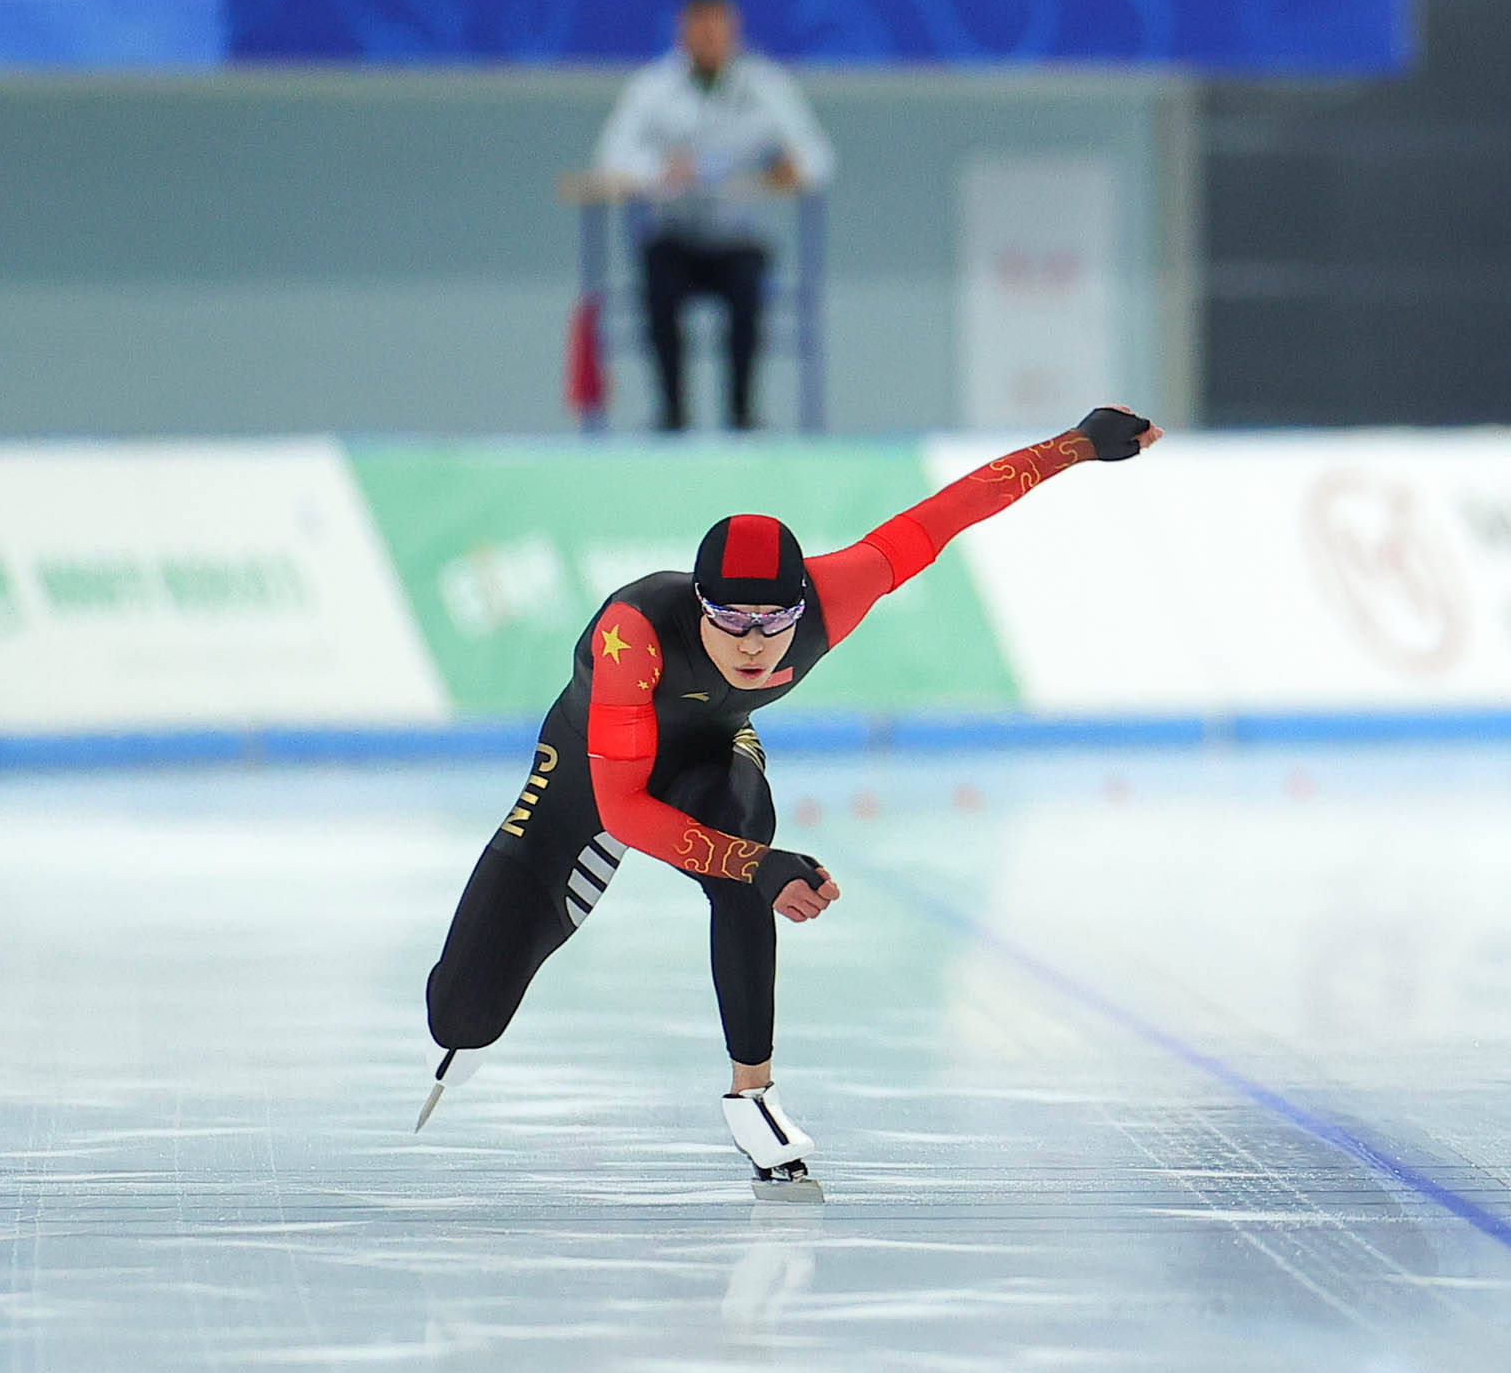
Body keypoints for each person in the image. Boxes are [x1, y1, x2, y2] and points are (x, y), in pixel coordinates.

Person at [417, 406, 1160, 1186]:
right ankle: (502, 968)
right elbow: (622, 807)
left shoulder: (838, 594)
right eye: (730, 618)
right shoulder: (634, 633)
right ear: (698, 604)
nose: (753, 641)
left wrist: (1076, 444)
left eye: (774, 619)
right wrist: (756, 864)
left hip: (708, 753)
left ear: (802, 604)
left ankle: (752, 1092)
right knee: (461, 1018)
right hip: (589, 774)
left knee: (741, 827)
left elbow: (952, 511)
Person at [595, 0, 834, 434]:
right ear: (682, 32)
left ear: (733, 30)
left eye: (716, 28)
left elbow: (819, 159)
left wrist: (789, 168)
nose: (708, 38)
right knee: (657, 283)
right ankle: (672, 414)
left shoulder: (766, 86)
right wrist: (658, 171)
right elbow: (612, 158)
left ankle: (742, 417)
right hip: (674, 233)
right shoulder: (653, 88)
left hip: (736, 236)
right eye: (697, 28)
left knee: (749, 290)